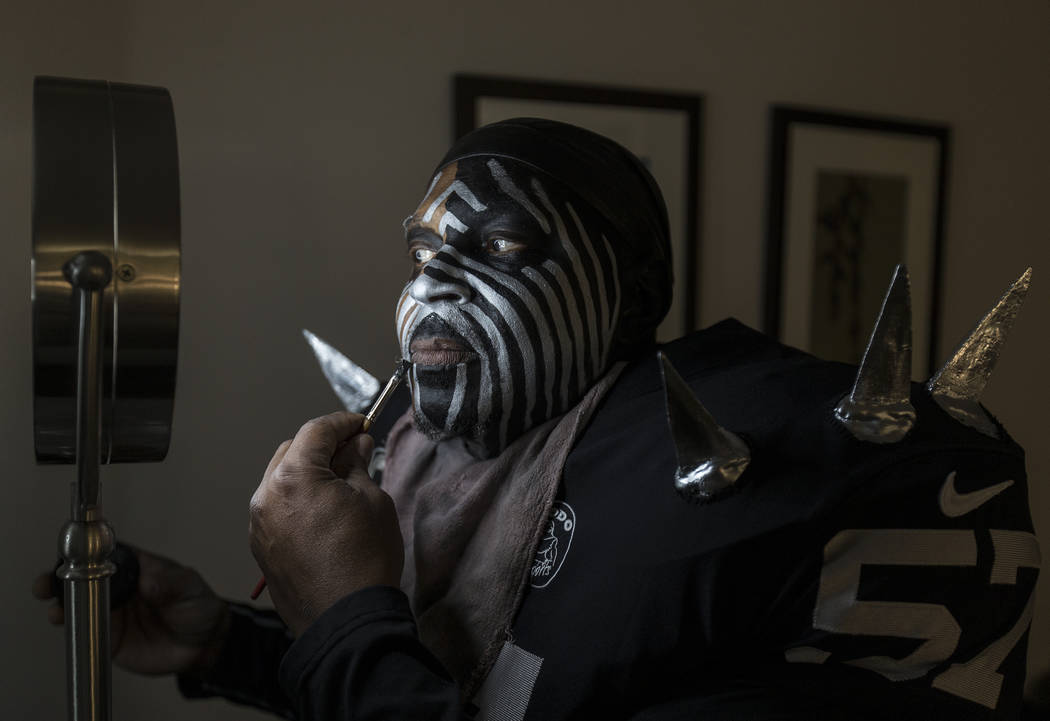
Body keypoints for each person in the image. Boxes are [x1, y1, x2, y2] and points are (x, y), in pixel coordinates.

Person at [35, 119, 1039, 720]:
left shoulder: (769, 476)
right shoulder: (436, 462)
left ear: (629, 293)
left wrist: (345, 621)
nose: (434, 295)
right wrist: (235, 644)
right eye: (426, 259)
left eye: (505, 252)